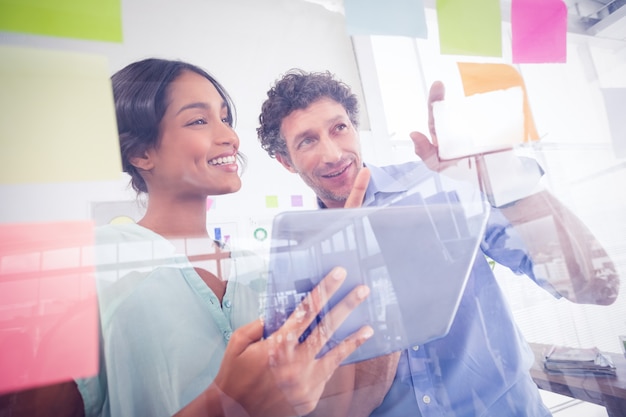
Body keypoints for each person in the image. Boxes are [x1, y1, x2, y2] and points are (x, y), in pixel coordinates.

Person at [0, 59, 377, 417]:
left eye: (225, 119)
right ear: (140, 152)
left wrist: (350, 263)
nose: (229, 136)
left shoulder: (260, 271)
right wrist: (226, 404)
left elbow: (330, 404)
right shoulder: (87, 263)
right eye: (199, 120)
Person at [256, 69, 621, 416]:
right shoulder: (300, 260)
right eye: (307, 141)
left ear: (355, 128)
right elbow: (341, 407)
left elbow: (594, 286)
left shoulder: (440, 186)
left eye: (340, 128)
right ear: (285, 161)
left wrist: (505, 178)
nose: (334, 153)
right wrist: (372, 286)